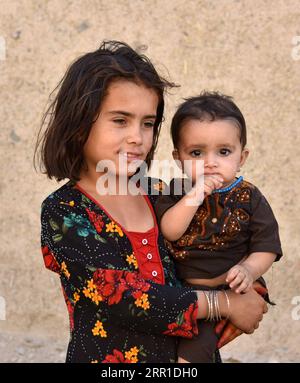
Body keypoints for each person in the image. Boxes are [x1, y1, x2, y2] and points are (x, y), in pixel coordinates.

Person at [35, 41, 267, 363]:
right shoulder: (65, 212)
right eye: (120, 120)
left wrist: (248, 283)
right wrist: (222, 303)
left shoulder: (162, 194)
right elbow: (122, 295)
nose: (138, 137)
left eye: (148, 123)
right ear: (78, 125)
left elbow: (216, 253)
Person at [154, 91, 283, 363]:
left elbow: (266, 246)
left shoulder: (249, 197)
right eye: (197, 153)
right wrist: (195, 194)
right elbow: (170, 230)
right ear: (179, 158)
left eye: (223, 152)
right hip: (183, 291)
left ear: (241, 157)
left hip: (229, 289)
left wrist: (249, 269)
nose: (210, 162)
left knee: (193, 350)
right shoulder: (177, 190)